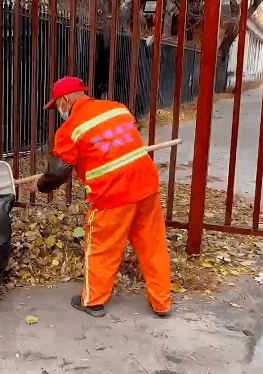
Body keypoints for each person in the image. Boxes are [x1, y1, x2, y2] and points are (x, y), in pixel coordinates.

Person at [23, 76, 172, 318]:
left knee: (102, 248)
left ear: (65, 99)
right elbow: (113, 144)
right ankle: (162, 303)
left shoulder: (70, 128)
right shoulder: (117, 109)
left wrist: (38, 186)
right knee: (153, 247)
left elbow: (58, 173)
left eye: (57, 106)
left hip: (113, 195)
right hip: (146, 187)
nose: (58, 111)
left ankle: (93, 301)